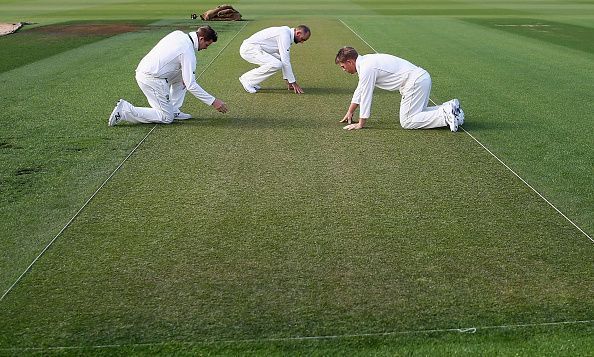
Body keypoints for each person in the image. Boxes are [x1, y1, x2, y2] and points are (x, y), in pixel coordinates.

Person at [108, 25, 228, 126]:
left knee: (184, 76)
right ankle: (125, 110)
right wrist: (214, 101)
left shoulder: (178, 34)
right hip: (151, 79)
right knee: (166, 117)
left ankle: (174, 109)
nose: (206, 48)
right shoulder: (188, 52)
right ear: (201, 39)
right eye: (207, 45)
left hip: (150, 71)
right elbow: (191, 85)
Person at [335, 47, 464, 132]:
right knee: (419, 112)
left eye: (343, 66)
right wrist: (350, 112)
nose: (343, 70)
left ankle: (446, 116)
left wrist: (361, 124)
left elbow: (366, 95)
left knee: (407, 121)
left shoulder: (367, 67)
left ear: (350, 61)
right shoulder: (365, 62)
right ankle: (449, 108)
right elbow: (360, 90)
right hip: (421, 78)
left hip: (414, 82)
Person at [238, 25, 311, 94]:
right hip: (249, 49)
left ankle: (251, 80)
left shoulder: (286, 33)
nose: (302, 42)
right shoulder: (285, 35)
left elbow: (283, 59)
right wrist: (293, 82)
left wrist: (288, 80)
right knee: (276, 64)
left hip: (257, 48)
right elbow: (286, 61)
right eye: (302, 39)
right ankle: (247, 80)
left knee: (279, 60)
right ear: (298, 33)